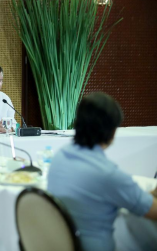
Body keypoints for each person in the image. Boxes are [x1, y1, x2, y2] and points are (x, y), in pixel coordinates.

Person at [47, 92, 157, 251]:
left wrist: (150, 196)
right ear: (112, 132)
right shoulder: (108, 174)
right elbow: (151, 211)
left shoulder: (60, 156)